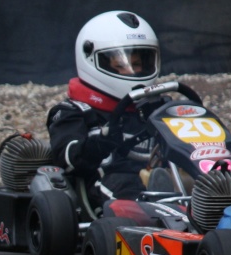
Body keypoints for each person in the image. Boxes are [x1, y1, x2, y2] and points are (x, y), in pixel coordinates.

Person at [46, 11, 160, 204]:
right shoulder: (73, 111)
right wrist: (98, 144)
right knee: (125, 186)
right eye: (121, 64)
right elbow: (67, 159)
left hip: (159, 182)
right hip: (104, 190)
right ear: (91, 60)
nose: (131, 71)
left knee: (200, 182)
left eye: (137, 64)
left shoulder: (156, 108)